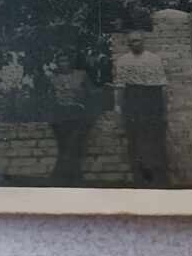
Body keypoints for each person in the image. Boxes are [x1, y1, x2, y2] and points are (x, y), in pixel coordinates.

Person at [114, 32, 169, 187]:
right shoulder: (123, 61)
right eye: (131, 42)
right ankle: (140, 180)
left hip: (152, 100)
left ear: (143, 41)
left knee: (154, 140)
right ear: (128, 44)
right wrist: (119, 110)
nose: (134, 44)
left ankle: (159, 180)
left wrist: (164, 110)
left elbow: (162, 86)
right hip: (133, 101)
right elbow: (120, 88)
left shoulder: (154, 59)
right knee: (135, 141)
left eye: (137, 40)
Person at [48, 52, 101, 186]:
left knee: (74, 145)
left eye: (66, 60)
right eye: (60, 61)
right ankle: (69, 180)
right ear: (57, 63)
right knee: (64, 146)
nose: (63, 63)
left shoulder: (81, 75)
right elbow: (48, 99)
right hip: (60, 115)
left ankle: (66, 178)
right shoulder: (52, 78)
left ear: (71, 62)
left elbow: (92, 93)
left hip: (77, 113)